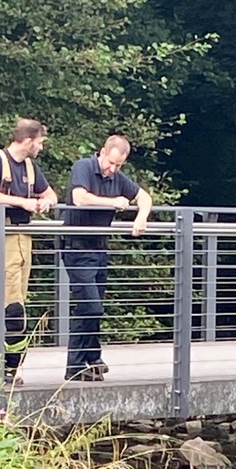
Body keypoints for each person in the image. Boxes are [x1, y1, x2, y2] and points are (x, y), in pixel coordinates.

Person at [61, 135, 152, 381]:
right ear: (102, 152)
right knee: (90, 305)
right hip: (77, 247)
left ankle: (91, 357)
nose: (112, 169)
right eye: (110, 163)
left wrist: (141, 217)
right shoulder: (84, 167)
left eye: (118, 166)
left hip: (99, 248)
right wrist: (113, 202)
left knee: (95, 306)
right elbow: (79, 198)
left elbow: (144, 197)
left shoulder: (118, 178)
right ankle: (76, 366)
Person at [0, 118, 56, 384]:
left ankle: (4, 370)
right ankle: (1, 369)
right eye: (40, 142)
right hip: (2, 238)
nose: (41, 148)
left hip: (24, 239)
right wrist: (22, 202)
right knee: (10, 310)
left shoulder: (31, 168)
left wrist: (44, 202)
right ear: (28, 140)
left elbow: (52, 194)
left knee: (16, 306)